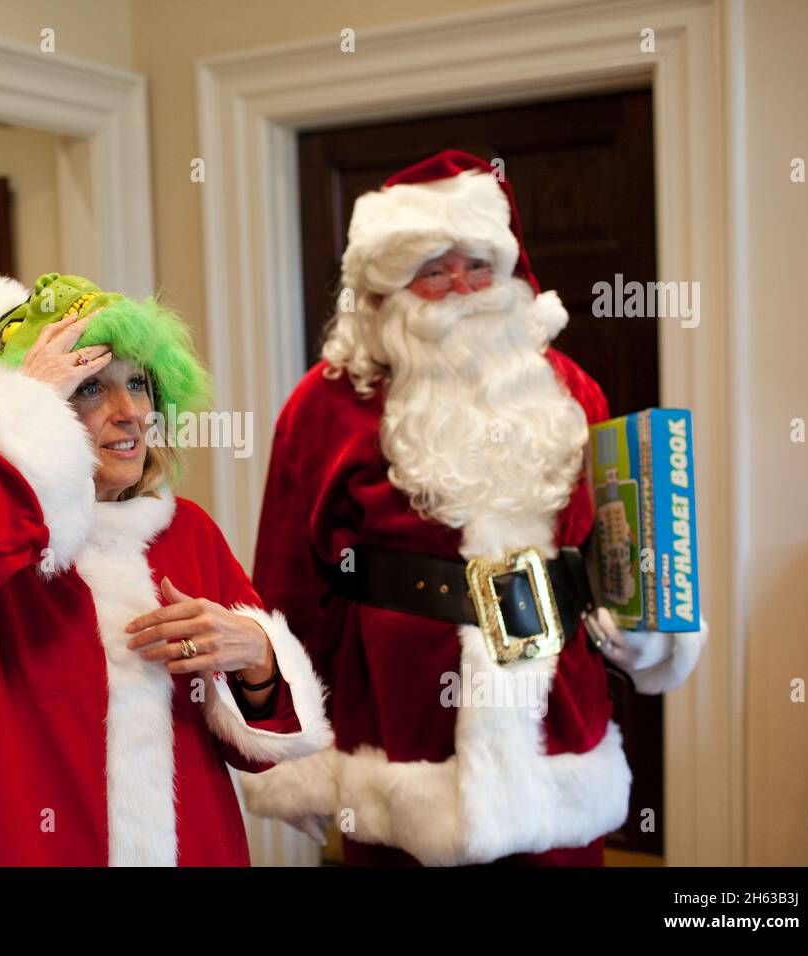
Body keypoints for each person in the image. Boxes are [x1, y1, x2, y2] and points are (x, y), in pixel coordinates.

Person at [242, 150, 706, 866]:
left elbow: (612, 543)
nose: (462, 286)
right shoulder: (325, 404)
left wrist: (645, 621)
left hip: (556, 733)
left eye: (478, 265)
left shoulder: (568, 388)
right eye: (434, 269)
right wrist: (292, 752)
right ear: (388, 288)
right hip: (398, 736)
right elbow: (287, 586)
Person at [0, 267, 331, 866]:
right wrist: (13, 427)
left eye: (139, 383)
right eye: (90, 388)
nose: (130, 412)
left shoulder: (187, 534)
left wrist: (257, 654)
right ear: (33, 411)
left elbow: (260, 748)